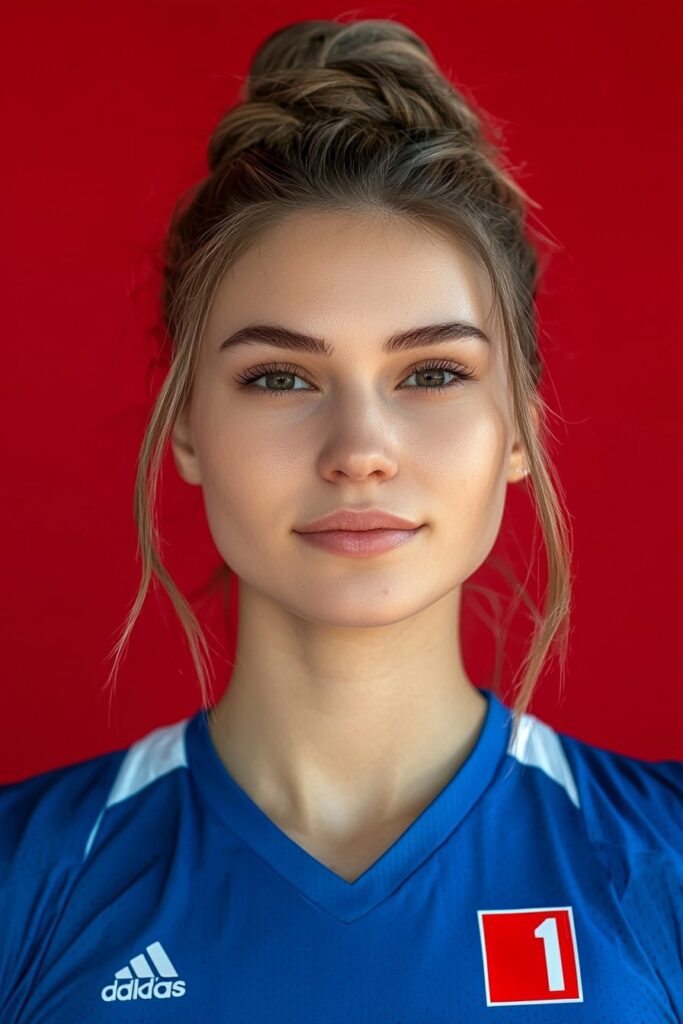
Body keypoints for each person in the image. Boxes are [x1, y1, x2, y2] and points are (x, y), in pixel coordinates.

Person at [1, 17, 680, 1024]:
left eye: (432, 373)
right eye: (279, 376)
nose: (359, 446)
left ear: (517, 430)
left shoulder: (658, 865)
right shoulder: (30, 880)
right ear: (185, 424)